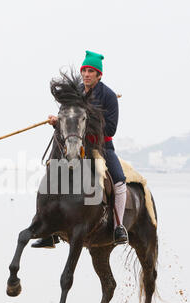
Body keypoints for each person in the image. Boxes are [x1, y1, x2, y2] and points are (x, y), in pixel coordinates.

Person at [32, 50, 128, 248]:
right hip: (74, 145)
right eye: (84, 70)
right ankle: (48, 229)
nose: (86, 74)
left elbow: (111, 129)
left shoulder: (109, 96)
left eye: (91, 71)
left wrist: (86, 121)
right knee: (52, 170)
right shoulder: (75, 91)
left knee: (119, 182)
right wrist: (57, 121)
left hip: (100, 146)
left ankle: (119, 226)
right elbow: (65, 115)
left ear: (99, 75)